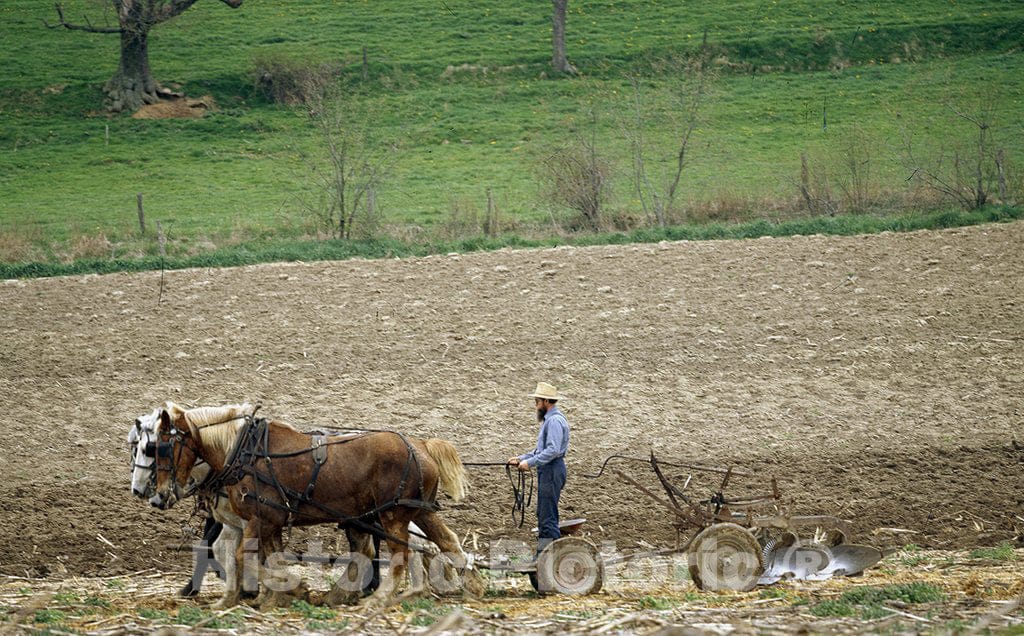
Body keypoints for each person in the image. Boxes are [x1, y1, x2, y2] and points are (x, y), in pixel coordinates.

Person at [508, 382, 570, 557]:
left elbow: (553, 450)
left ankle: (546, 558)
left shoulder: (554, 421)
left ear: (546, 401)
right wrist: (521, 458)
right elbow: (541, 451)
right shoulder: (549, 420)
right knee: (543, 513)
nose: (536, 405)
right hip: (548, 470)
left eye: (537, 401)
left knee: (547, 517)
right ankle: (544, 556)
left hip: (551, 470)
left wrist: (530, 463)